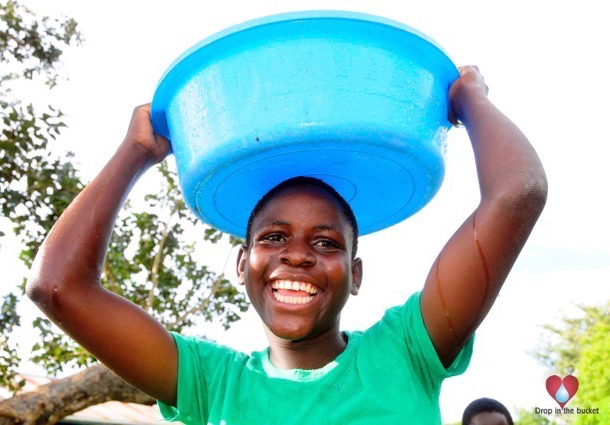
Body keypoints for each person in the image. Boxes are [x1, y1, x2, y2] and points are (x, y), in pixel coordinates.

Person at [27, 65, 547, 424]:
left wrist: (471, 100)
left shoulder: (409, 350)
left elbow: (517, 195)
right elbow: (57, 287)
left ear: (356, 273)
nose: (297, 254)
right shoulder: (210, 383)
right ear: (242, 263)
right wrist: (135, 151)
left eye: (325, 242)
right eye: (273, 237)